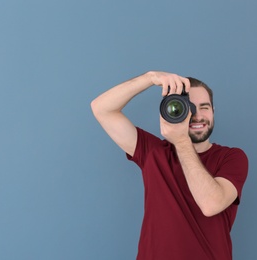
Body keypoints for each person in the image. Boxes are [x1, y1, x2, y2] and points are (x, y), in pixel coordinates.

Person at [91, 71, 248, 260]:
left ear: (213, 111)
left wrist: (181, 141)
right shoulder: (153, 152)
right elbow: (101, 109)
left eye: (204, 107)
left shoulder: (232, 157)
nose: (197, 116)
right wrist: (149, 78)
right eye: (188, 108)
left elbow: (210, 204)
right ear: (172, 111)